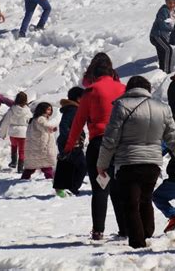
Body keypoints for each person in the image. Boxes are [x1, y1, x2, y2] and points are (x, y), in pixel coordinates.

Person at [97, 76, 175, 248]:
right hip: (153, 163)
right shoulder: (163, 108)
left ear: (129, 89)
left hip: (128, 161)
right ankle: (147, 233)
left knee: (130, 203)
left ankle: (137, 242)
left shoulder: (121, 106)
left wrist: (102, 164)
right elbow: (174, 140)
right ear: (147, 89)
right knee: (145, 198)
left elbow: (110, 140)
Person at [64, 56, 127, 240]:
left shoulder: (90, 92)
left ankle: (98, 231)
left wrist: (68, 147)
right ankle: (125, 229)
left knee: (100, 188)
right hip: (121, 145)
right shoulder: (123, 89)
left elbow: (78, 122)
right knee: (119, 189)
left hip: (99, 145)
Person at [53, 87, 88, 197]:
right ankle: (72, 188)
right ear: (78, 98)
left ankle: (63, 188)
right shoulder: (73, 109)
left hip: (69, 142)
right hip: (71, 143)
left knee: (70, 165)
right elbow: (64, 125)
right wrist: (71, 138)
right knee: (82, 166)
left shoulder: (71, 108)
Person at [149, 0, 175, 74]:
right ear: (166, 1)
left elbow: (173, 27)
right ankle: (166, 71)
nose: (172, 4)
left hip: (163, 38)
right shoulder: (163, 11)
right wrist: (174, 30)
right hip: (156, 36)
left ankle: (161, 69)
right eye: (170, 2)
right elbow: (162, 25)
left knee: (163, 52)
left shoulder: (174, 14)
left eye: (174, 3)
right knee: (167, 50)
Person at [0, 92, 32, 173]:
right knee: (22, 151)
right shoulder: (28, 111)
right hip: (23, 133)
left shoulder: (12, 110)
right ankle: (20, 168)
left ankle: (13, 162)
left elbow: (6, 122)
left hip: (13, 133)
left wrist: (2, 134)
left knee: (14, 147)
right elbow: (30, 122)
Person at [22, 102, 58, 180]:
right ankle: (49, 179)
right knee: (46, 164)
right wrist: (52, 128)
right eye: (48, 109)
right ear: (42, 110)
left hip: (34, 145)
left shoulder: (34, 119)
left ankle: (24, 177)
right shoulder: (41, 119)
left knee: (31, 166)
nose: (50, 111)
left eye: (50, 109)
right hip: (41, 146)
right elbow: (45, 126)